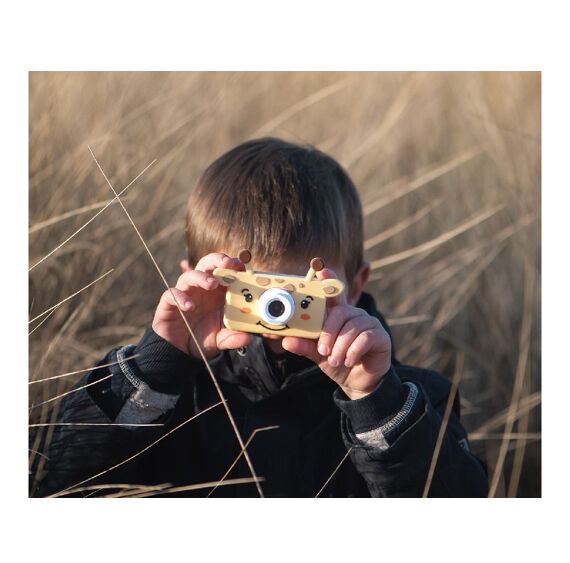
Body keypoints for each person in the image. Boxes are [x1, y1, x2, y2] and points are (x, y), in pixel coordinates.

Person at [30, 137, 488, 498]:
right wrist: (156, 365)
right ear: (197, 281)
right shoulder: (168, 396)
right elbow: (61, 491)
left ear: (356, 283)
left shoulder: (412, 401)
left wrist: (377, 404)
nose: (276, 315)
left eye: (302, 295)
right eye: (248, 292)